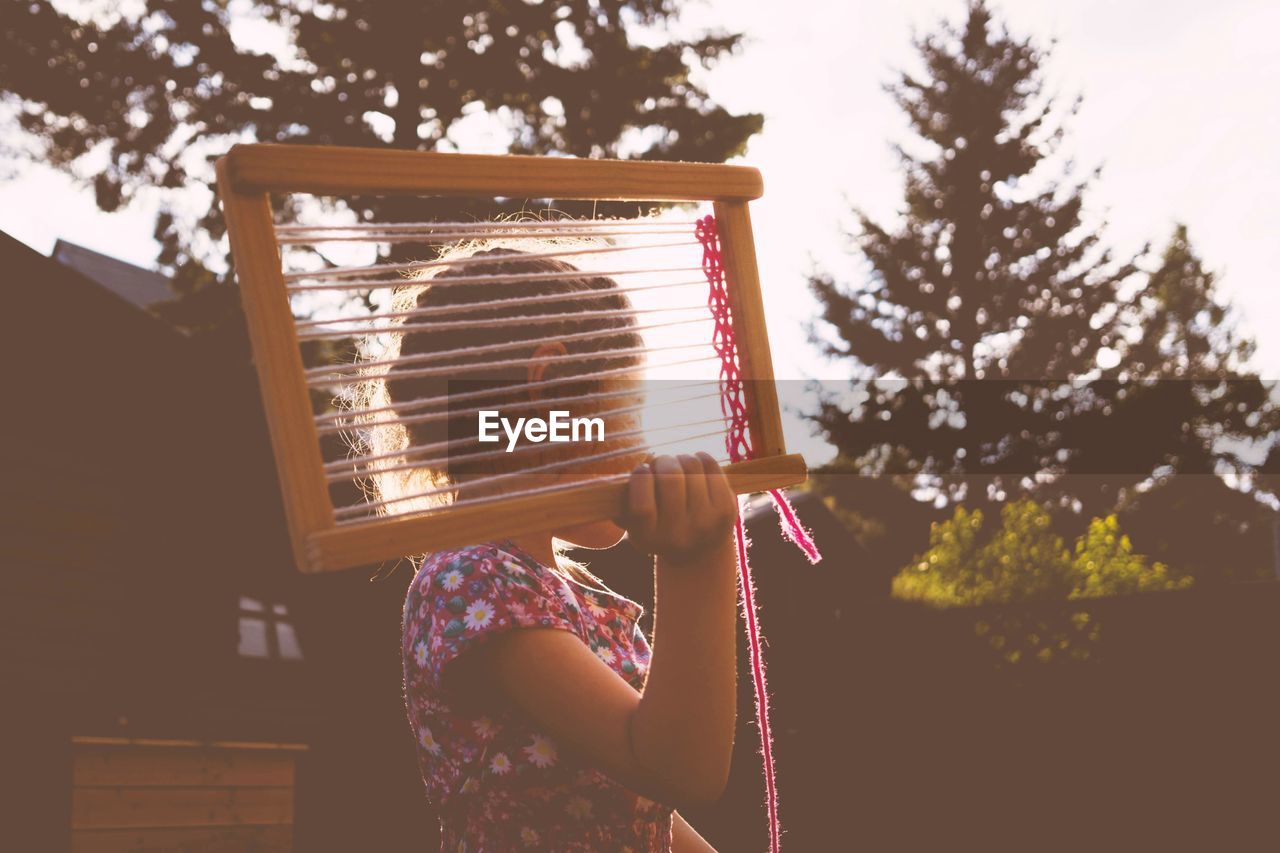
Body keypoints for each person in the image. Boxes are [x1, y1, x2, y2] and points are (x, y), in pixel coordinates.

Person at [359, 244, 738, 850]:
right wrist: (699, 561)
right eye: (630, 407)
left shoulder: (548, 589)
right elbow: (678, 770)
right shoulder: (475, 578)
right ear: (550, 388)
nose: (643, 444)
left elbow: (641, 809)